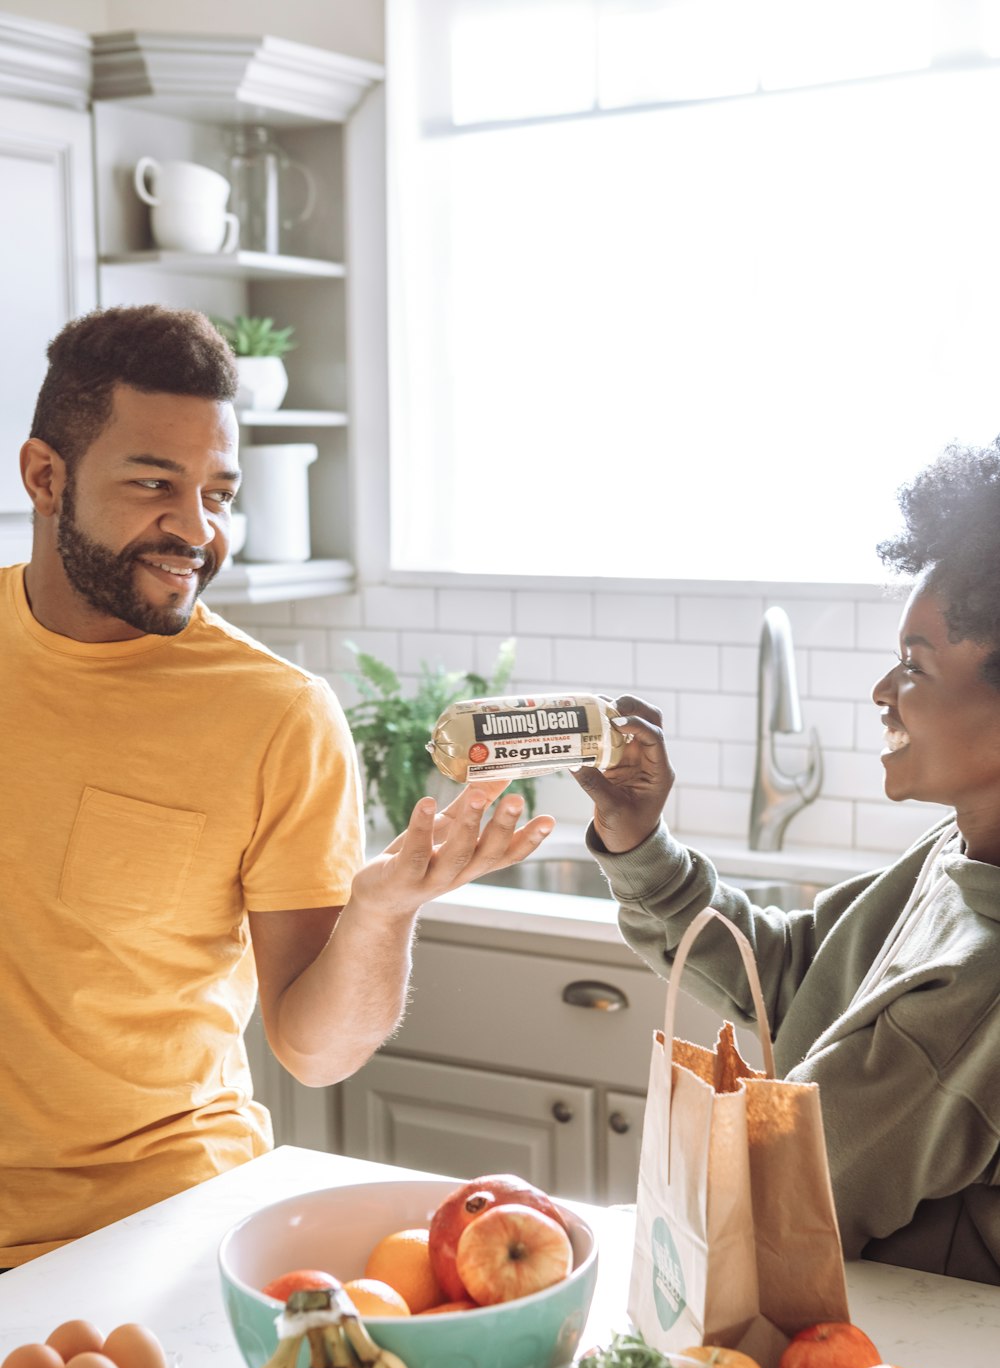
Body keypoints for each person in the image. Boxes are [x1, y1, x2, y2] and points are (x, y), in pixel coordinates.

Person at [1, 303, 553, 1268]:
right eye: (152, 483)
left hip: (148, 1232)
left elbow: (315, 1047)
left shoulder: (275, 715)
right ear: (45, 477)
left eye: (218, 492)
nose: (196, 529)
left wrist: (380, 914)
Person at [574, 440, 1000, 1285]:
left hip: (927, 1367)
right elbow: (799, 970)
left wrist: (595, 1239)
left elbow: (790, 1191)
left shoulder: (976, 984)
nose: (884, 690)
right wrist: (639, 841)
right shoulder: (959, 849)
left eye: (915, 665)